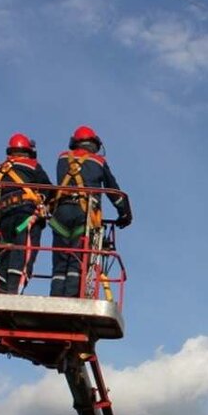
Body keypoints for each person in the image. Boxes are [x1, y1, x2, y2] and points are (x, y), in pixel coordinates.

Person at [49, 125, 132, 297]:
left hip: (60, 214)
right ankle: (71, 298)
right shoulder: (98, 162)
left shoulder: (62, 158)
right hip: (84, 215)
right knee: (77, 259)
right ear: (95, 144)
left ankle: (56, 297)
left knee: (60, 261)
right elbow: (114, 192)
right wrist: (124, 215)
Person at [0, 133, 51, 294]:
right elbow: (49, 190)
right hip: (26, 217)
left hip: (4, 218)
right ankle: (14, 291)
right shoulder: (32, 166)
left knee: (3, 251)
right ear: (28, 151)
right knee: (23, 252)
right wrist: (44, 203)